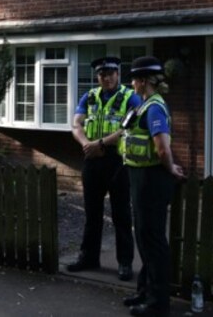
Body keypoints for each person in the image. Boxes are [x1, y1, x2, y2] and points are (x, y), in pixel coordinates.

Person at [120, 56, 185, 317]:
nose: (132, 83)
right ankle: (145, 292)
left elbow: (161, 148)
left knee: (153, 240)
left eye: (134, 78)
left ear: (144, 81)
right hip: (140, 178)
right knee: (143, 237)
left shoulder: (155, 108)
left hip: (152, 180)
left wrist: (170, 168)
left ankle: (158, 304)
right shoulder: (145, 105)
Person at [67, 56, 141, 281]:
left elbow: (131, 126)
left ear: (118, 74)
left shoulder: (130, 97)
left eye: (110, 73)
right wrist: (86, 144)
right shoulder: (89, 96)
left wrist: (101, 143)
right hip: (92, 157)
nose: (106, 78)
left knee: (121, 214)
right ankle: (88, 258)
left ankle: (125, 263)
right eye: (102, 74)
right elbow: (76, 123)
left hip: (117, 160)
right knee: (92, 213)